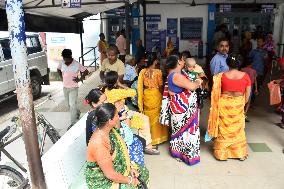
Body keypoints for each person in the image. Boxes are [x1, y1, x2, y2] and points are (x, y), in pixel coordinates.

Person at [85, 103, 149, 188]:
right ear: (110, 121)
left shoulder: (110, 130)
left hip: (115, 167)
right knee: (133, 186)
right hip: (101, 179)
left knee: (143, 172)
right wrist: (130, 180)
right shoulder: (98, 143)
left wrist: (130, 167)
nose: (118, 117)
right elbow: (110, 174)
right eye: (116, 116)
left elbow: (122, 152)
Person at [207, 54, 251, 161]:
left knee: (224, 129)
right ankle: (239, 153)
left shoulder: (220, 76)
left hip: (224, 105)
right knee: (237, 130)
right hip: (238, 105)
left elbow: (215, 93)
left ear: (227, 63)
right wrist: (240, 105)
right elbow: (247, 96)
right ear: (240, 63)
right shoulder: (245, 76)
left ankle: (222, 153)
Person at [104, 71, 160, 155]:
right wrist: (120, 84)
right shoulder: (116, 92)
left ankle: (145, 143)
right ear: (116, 81)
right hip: (122, 116)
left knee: (144, 119)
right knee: (144, 120)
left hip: (121, 113)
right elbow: (133, 92)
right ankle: (147, 146)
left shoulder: (107, 90)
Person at [161, 55, 202, 165]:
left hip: (177, 108)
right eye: (182, 60)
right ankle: (187, 155)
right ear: (178, 62)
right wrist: (198, 81)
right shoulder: (176, 76)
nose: (183, 62)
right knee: (187, 132)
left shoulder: (174, 75)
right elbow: (192, 87)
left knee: (179, 132)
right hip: (182, 109)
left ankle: (177, 153)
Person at [138, 53, 169, 145]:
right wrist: (164, 96)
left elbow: (140, 87)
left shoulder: (142, 71)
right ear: (155, 61)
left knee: (148, 116)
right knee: (157, 116)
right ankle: (159, 137)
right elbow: (160, 86)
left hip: (146, 95)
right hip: (156, 95)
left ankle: (149, 136)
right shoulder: (158, 72)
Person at [57, 49, 89, 128]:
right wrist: (61, 77)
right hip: (65, 87)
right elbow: (58, 69)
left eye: (66, 59)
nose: (65, 60)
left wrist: (80, 79)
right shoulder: (62, 63)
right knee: (69, 105)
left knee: (72, 105)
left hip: (74, 88)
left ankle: (73, 122)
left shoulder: (76, 64)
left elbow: (86, 71)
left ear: (70, 57)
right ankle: (77, 112)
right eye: (64, 59)